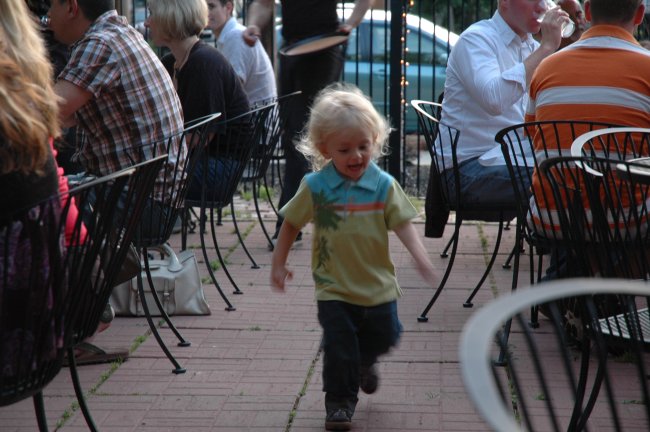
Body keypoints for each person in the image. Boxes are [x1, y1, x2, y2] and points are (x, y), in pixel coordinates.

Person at [270, 84, 438, 431]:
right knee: (338, 345)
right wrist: (278, 262)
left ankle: (364, 361)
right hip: (334, 286)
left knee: (388, 333)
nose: (357, 156)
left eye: (364, 146)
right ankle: (340, 404)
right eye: (345, 149)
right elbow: (290, 224)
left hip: (377, 284)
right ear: (323, 148)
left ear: (374, 141)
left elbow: (403, 224)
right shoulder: (316, 187)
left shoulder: (383, 185)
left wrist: (420, 256)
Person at [525, 0, 650, 279]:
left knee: (576, 186)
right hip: (626, 217)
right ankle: (612, 283)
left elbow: (531, 134)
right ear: (640, 14)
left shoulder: (546, 68)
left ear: (589, 10)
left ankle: (575, 284)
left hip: (551, 215)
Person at [242, 0, 373, 246]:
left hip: (325, 48)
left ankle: (291, 226)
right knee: (296, 140)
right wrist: (253, 25)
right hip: (292, 49)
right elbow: (263, 3)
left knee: (303, 140)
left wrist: (351, 23)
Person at [437, 0, 568, 215]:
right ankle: (558, 245)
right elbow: (494, 100)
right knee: (560, 178)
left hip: (513, 157)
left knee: (574, 170)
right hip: (466, 170)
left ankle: (559, 244)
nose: (542, 6)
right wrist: (547, 47)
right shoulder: (476, 39)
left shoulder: (532, 49)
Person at [47, 0, 185, 202]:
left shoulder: (100, 44)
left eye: (51, 5)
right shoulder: (120, 33)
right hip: (156, 196)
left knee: (27, 208)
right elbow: (64, 117)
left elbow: (43, 114)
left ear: (71, 7)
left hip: (136, 200)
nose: (48, 15)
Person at [145, 0, 251, 202]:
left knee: (138, 179)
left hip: (220, 168)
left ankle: (154, 228)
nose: (146, 23)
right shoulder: (172, 62)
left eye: (152, 14)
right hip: (201, 161)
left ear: (170, 19)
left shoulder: (203, 63)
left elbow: (200, 136)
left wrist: (150, 151)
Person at [206, 0, 276, 106]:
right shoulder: (231, 34)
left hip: (256, 119)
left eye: (211, 6)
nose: (206, 12)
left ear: (228, 8)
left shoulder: (234, 36)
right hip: (255, 116)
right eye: (204, 7)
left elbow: (231, 93)